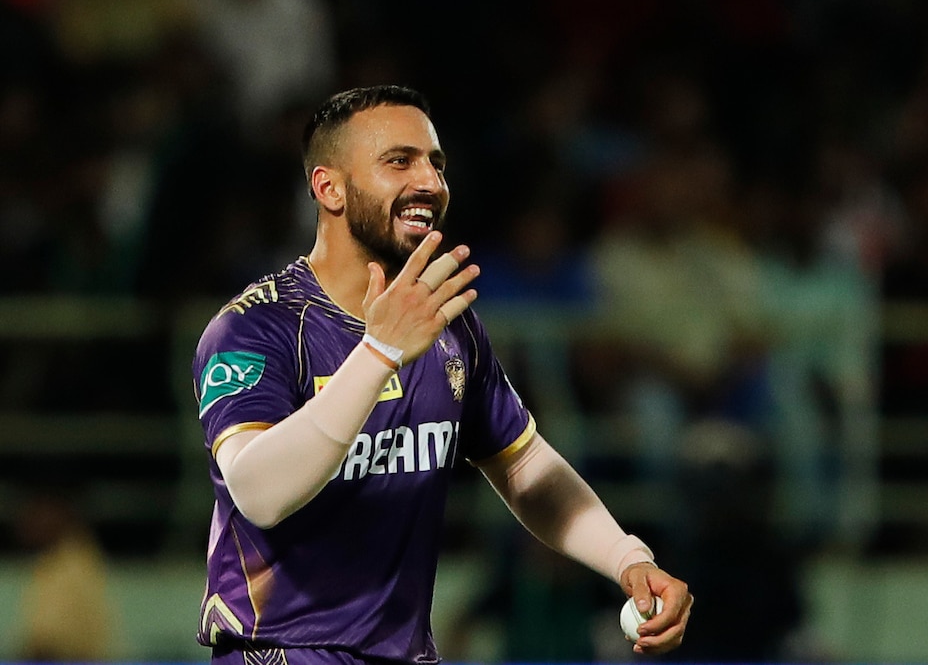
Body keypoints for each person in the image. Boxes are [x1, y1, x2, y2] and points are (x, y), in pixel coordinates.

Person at [190, 84, 692, 665]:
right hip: (282, 653)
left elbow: (523, 465)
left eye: (436, 163)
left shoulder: (447, 325)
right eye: (399, 161)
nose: (429, 181)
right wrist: (379, 352)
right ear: (329, 188)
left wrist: (628, 558)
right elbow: (258, 492)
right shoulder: (256, 328)